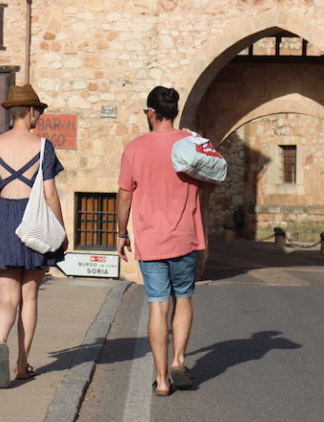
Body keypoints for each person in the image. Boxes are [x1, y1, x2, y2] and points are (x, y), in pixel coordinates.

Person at [117, 86, 214, 396]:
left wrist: (122, 234)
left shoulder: (134, 148)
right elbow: (209, 187)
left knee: (157, 305)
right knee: (183, 298)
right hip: (184, 236)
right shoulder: (190, 144)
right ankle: (178, 360)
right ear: (174, 111)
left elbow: (124, 195)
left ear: (150, 113)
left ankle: (161, 380)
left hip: (150, 239)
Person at [0, 84, 67, 388]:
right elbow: (50, 193)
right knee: (30, 297)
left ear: (11, 112)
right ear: (33, 111)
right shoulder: (42, 146)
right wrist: (60, 230)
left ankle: (0, 341)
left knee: (7, 298)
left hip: (1, 222)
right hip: (33, 220)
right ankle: (22, 363)